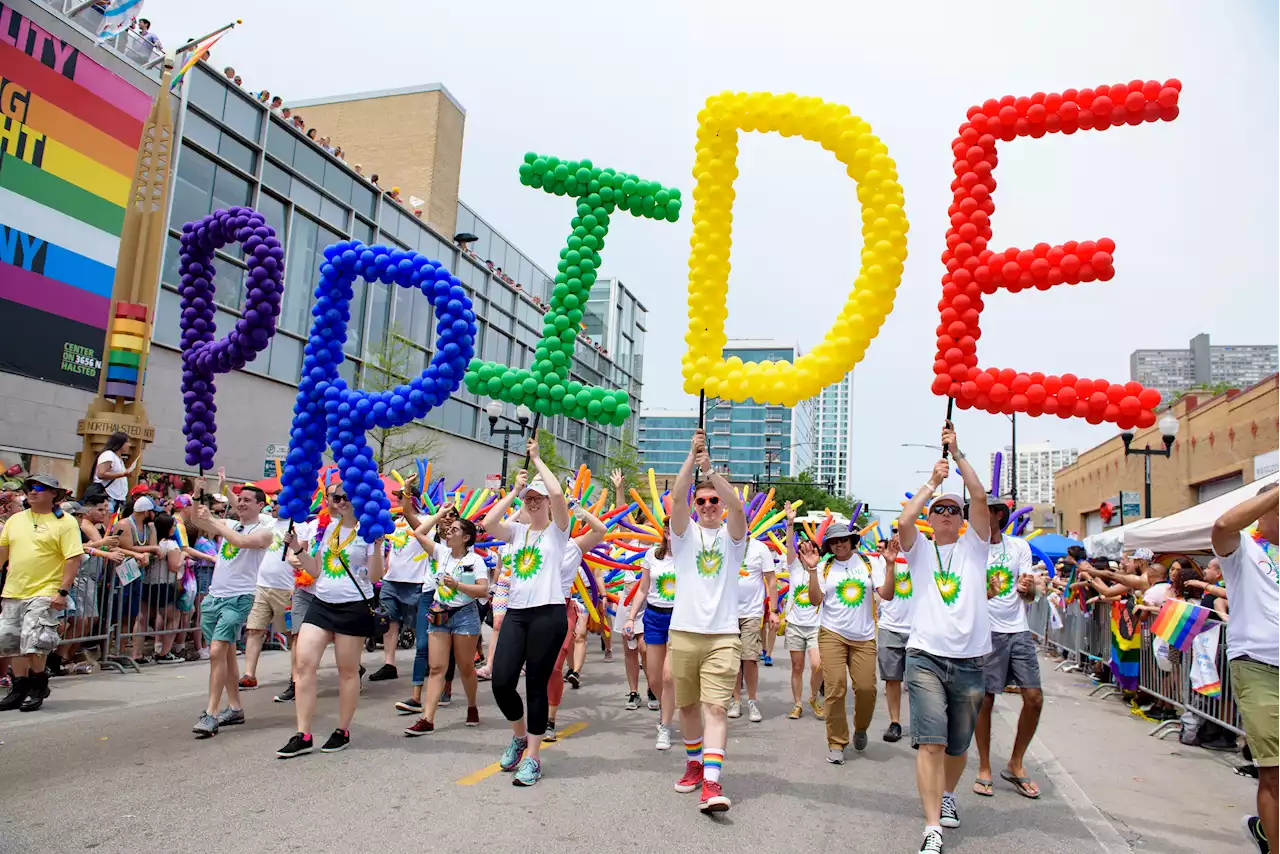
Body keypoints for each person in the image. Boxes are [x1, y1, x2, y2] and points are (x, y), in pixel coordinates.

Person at [896, 422, 991, 854]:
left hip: (971, 660)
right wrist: (932, 483)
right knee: (931, 741)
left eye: (955, 510)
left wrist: (957, 456)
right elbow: (903, 519)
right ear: (933, 519)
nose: (949, 514)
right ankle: (931, 827)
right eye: (942, 509)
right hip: (925, 657)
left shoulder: (977, 548)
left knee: (958, 744)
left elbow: (980, 496)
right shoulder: (918, 550)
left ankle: (948, 794)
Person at [481, 437, 571, 787]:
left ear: (547, 502)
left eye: (537, 498)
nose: (532, 503)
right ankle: (519, 736)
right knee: (502, 681)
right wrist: (514, 490)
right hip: (517, 613)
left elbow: (560, 496)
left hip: (549, 614)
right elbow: (489, 524)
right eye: (528, 499)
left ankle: (533, 756)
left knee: (535, 684)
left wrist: (537, 461)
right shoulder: (517, 531)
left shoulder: (558, 532)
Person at [668, 426, 747, 813]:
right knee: (687, 707)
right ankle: (695, 763)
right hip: (683, 632)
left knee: (715, 708)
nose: (709, 505)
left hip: (722, 636)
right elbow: (676, 502)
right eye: (703, 501)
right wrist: (690, 457)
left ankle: (712, 784)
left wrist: (711, 470)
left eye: (714, 500)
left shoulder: (735, 538)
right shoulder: (683, 536)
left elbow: (739, 506)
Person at [277, 481, 385, 757]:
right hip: (322, 603)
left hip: (353, 606)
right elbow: (315, 570)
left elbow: (375, 577)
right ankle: (303, 734)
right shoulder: (328, 528)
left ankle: (342, 730)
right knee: (303, 665)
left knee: (347, 671)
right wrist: (299, 550)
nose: (340, 501)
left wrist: (377, 544)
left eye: (346, 496)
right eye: (336, 497)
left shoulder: (369, 531)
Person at [1211, 482, 1280, 854]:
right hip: (1257, 667)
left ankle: (1266, 829)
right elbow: (1222, 525)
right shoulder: (1244, 550)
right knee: (1273, 770)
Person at [800, 521, 896, 763]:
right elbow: (814, 600)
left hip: (864, 636)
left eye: (844, 538)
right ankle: (836, 742)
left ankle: (861, 727)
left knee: (866, 688)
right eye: (834, 540)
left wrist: (891, 565)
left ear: (853, 541)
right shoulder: (824, 566)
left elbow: (887, 594)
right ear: (829, 545)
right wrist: (811, 571)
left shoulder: (869, 563)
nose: (839, 543)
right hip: (832, 633)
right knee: (835, 688)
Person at [973, 497, 1043, 800]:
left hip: (1018, 631)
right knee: (985, 700)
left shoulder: (1019, 547)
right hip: (986, 632)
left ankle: (1015, 762)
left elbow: (1028, 594)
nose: (974, 516)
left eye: (980, 510)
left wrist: (1030, 590)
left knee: (1034, 698)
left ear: (997, 515)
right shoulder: (970, 549)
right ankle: (985, 767)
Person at [189, 487, 272, 738]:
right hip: (214, 597)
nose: (242, 504)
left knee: (216, 652)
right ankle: (235, 708)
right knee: (225, 656)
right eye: (240, 500)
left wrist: (213, 520)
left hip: (240, 598)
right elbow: (195, 520)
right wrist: (196, 497)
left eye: (248, 500)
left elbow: (241, 542)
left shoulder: (264, 532)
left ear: (260, 505)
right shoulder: (229, 524)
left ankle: (211, 713)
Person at [0, 475, 83, 711]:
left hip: (45, 590)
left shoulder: (65, 522)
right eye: (29, 488)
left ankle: (37, 686)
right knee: (12, 640)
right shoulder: (15, 520)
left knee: (35, 641)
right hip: (14, 589)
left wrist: (62, 591)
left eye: (39, 488)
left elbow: (73, 558)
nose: (32, 492)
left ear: (54, 494)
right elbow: (2, 553)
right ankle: (18, 688)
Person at [404, 511, 490, 735]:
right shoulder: (441, 552)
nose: (449, 532)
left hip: (464, 615)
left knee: (466, 667)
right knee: (436, 668)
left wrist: (458, 586)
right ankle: (427, 719)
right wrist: (440, 514)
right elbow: (418, 532)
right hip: (440, 613)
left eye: (455, 530)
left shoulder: (475, 560)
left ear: (466, 538)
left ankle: (472, 706)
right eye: (448, 529)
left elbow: (483, 589)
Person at [546, 503, 608, 741]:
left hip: (561, 609)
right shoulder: (533, 541)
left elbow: (600, 530)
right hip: (531, 610)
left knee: (554, 668)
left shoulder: (574, 545)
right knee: (537, 669)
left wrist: (579, 510)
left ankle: (549, 720)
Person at [370, 485, 430, 684]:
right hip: (391, 581)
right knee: (389, 621)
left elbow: (420, 534)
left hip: (415, 581)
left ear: (412, 499)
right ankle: (390, 664)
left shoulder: (425, 521)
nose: (397, 501)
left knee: (417, 624)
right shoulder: (395, 522)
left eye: (401, 497)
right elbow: (392, 548)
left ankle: (425, 658)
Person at [627, 517, 678, 749]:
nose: (669, 529)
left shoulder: (688, 556)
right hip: (654, 617)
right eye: (667, 525)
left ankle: (665, 727)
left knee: (669, 676)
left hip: (679, 618)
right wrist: (631, 617)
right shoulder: (651, 555)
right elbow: (643, 589)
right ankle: (666, 710)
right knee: (655, 678)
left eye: (675, 525)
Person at [239, 506, 302, 691]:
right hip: (262, 586)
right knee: (254, 629)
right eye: (274, 502)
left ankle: (296, 677)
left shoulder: (300, 526)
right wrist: (223, 488)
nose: (274, 506)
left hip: (286, 589)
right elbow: (243, 507)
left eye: (279, 502)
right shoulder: (269, 523)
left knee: (293, 636)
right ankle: (249, 676)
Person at [728, 531, 778, 722]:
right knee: (733, 658)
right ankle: (736, 700)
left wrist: (773, 610)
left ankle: (752, 701)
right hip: (727, 612)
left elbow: (771, 580)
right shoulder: (724, 544)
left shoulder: (760, 548)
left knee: (749, 658)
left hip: (752, 612)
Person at [780, 503, 823, 720]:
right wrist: (790, 522)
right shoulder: (794, 567)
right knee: (797, 667)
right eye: (803, 548)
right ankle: (797, 703)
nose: (807, 551)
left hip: (816, 626)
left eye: (811, 548)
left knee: (817, 665)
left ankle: (814, 697)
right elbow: (789, 545)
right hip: (795, 625)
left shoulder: (823, 570)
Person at [877, 529, 916, 742]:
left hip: (919, 628)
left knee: (919, 680)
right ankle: (895, 722)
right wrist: (891, 563)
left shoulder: (922, 558)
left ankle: (920, 724)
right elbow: (886, 593)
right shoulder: (881, 562)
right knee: (893, 678)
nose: (898, 539)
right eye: (896, 535)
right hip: (890, 626)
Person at [115, 496, 161, 663]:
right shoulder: (124, 524)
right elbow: (126, 546)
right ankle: (114, 650)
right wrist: (151, 549)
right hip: (121, 573)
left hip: (136, 573)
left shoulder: (149, 527)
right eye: (152, 512)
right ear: (145, 512)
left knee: (132, 615)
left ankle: (121, 652)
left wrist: (153, 534)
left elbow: (151, 547)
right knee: (120, 613)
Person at [92, 432, 134, 512]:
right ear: (120, 443)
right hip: (108, 496)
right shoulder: (108, 455)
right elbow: (101, 474)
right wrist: (123, 474)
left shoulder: (118, 458)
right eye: (127, 442)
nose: (129, 445)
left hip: (117, 497)